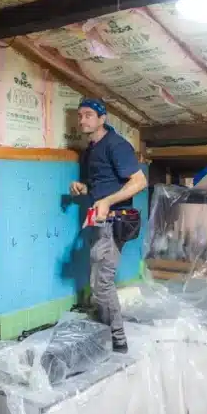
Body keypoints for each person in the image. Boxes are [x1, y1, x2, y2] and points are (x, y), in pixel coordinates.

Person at [70, 98, 147, 353]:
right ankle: (105, 333)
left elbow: (139, 182)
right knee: (98, 281)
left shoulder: (117, 145)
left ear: (102, 118)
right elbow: (102, 183)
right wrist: (84, 188)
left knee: (102, 282)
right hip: (99, 220)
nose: (83, 120)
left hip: (116, 221)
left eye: (89, 115)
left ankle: (118, 340)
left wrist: (107, 200)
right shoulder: (90, 151)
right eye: (80, 115)